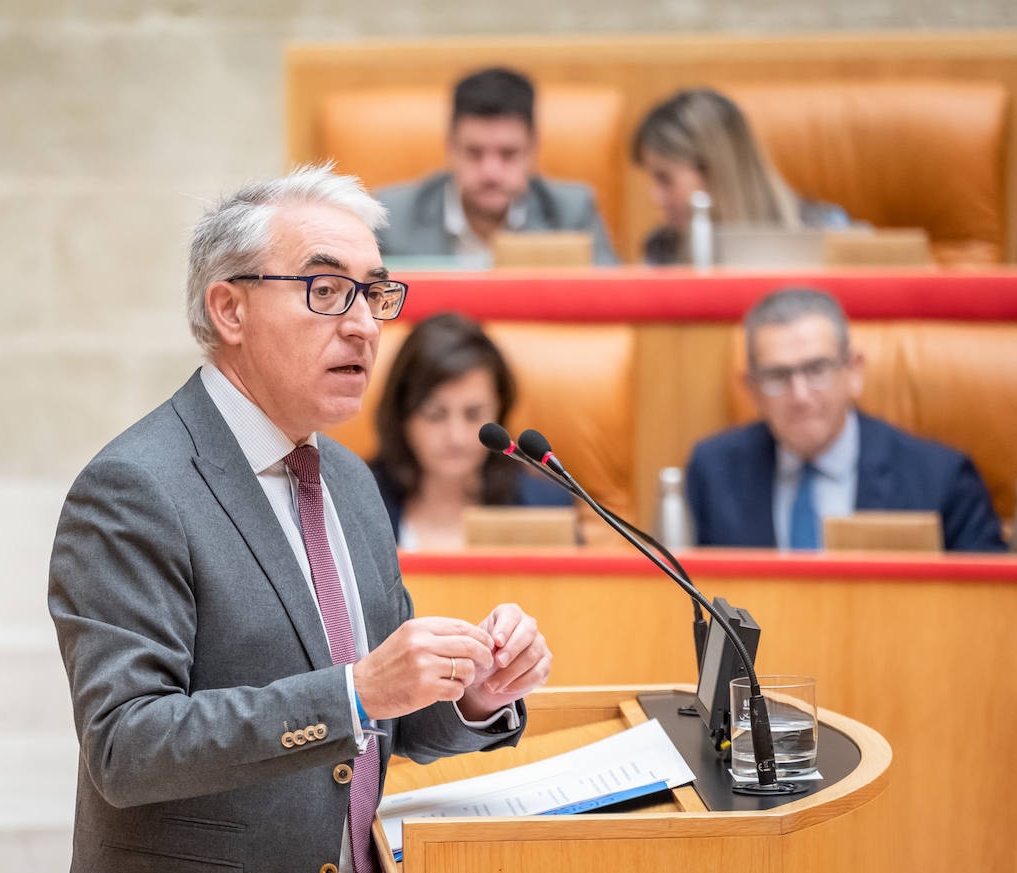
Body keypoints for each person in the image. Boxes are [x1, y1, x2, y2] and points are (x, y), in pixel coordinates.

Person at [47, 165, 553, 873]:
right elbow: (127, 747)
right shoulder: (136, 488)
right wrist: (356, 692)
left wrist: (473, 696)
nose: (363, 324)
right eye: (325, 291)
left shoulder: (348, 479)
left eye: (374, 293)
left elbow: (382, 720)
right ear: (230, 308)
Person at [685, 287, 1006, 552]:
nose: (800, 395)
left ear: (853, 372)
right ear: (752, 391)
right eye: (777, 376)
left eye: (817, 370)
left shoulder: (941, 480)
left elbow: (987, 610)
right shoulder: (713, 471)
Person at [374, 67, 619, 264]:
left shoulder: (571, 213)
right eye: (474, 153)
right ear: (450, 147)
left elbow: (608, 301)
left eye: (508, 154)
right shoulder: (391, 216)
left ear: (532, 149)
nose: (490, 172)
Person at [370, 313, 571, 549]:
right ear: (402, 414)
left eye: (473, 415)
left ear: (499, 413)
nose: (456, 437)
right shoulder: (356, 500)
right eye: (435, 415)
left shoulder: (544, 507)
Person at [631, 88, 852, 265]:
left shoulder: (829, 236)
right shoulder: (661, 250)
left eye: (665, 179)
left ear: (714, 170)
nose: (656, 197)